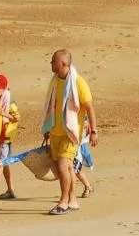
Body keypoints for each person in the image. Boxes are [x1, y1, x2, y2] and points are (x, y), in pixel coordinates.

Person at [41, 48, 98, 215]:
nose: (51, 64)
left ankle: (63, 201)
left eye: (53, 61)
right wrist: (47, 129)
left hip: (71, 133)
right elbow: (52, 107)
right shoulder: (55, 81)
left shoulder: (78, 83)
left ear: (63, 64)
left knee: (62, 167)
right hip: (55, 132)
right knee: (67, 169)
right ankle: (72, 201)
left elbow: (89, 108)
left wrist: (94, 131)